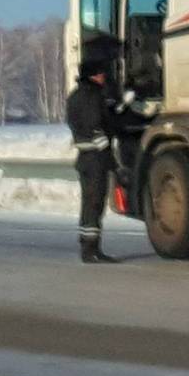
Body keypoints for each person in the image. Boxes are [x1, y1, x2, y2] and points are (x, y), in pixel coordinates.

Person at [66, 58, 120, 264]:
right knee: (95, 204)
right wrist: (113, 162)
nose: (103, 76)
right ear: (92, 75)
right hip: (96, 159)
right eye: (100, 73)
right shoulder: (92, 96)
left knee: (88, 203)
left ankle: (88, 246)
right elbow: (96, 128)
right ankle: (91, 250)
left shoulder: (75, 96)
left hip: (84, 158)